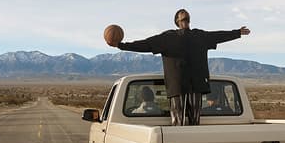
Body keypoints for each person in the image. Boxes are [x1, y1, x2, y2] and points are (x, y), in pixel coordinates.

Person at [107, 8, 250, 125]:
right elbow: (146, 44)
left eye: (187, 18)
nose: (185, 21)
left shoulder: (199, 36)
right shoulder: (168, 38)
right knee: (178, 120)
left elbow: (218, 35)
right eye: (182, 19)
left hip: (196, 85)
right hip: (177, 86)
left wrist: (237, 33)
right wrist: (121, 45)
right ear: (177, 22)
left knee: (195, 120)